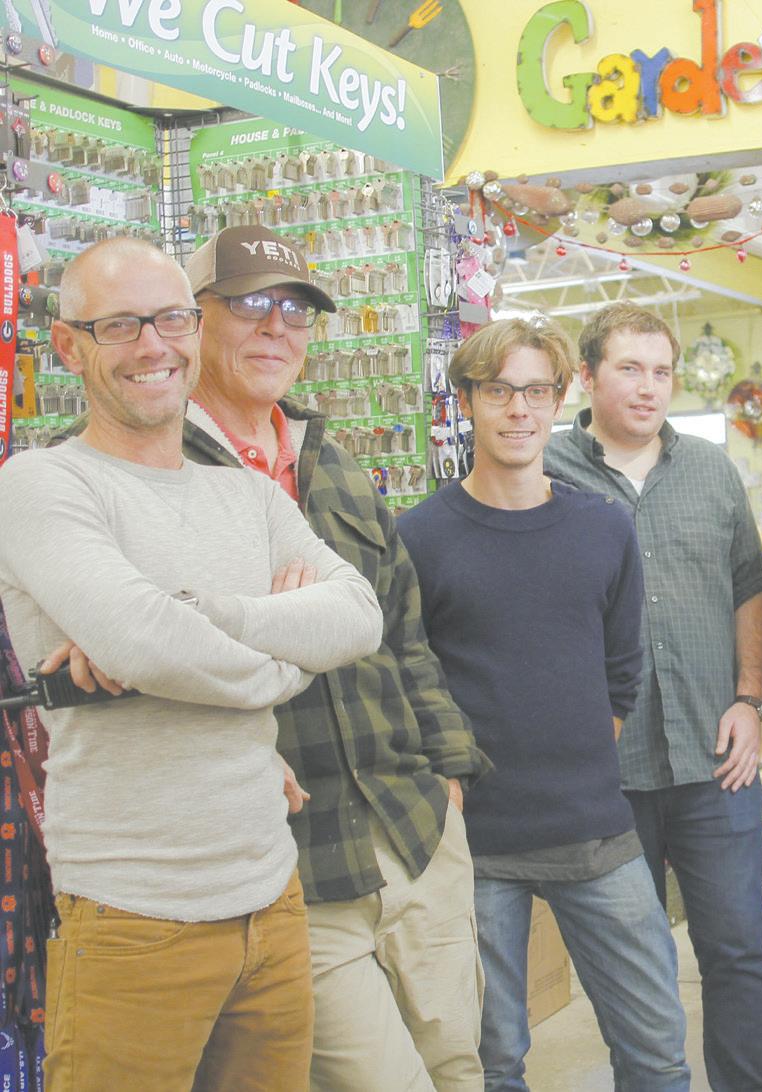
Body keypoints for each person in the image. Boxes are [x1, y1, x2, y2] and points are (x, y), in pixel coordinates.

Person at [0, 238, 384, 1090]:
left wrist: (201, 619)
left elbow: (360, 616)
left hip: (273, 900)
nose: (153, 346)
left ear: (196, 330)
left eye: (172, 319)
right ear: (68, 346)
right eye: (119, 325)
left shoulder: (247, 493)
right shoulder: (40, 484)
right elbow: (144, 640)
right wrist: (289, 656)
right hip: (132, 915)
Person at [183, 225, 492, 1091]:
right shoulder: (158, 470)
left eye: (297, 311)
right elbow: (163, 646)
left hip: (414, 824)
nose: (275, 327)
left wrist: (448, 772)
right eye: (250, 303)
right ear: (191, 319)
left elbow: (404, 633)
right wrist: (280, 626)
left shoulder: (335, 463)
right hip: (297, 856)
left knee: (461, 1067)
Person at [398, 316, 690, 1092]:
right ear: (466, 400)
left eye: (535, 391)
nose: (518, 409)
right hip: (475, 846)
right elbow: (405, 678)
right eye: (498, 390)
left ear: (561, 399)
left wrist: (579, 755)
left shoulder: (603, 528)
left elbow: (622, 673)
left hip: (595, 831)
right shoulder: (419, 538)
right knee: (489, 1064)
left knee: (658, 1053)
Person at [544, 303, 762, 1091]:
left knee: (738, 947)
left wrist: (750, 698)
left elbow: (750, 586)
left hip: (714, 756)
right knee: (631, 964)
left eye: (662, 372)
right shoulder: (544, 473)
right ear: (587, 377)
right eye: (630, 369)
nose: (649, 388)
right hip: (604, 769)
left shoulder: (711, 469)